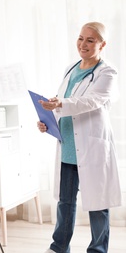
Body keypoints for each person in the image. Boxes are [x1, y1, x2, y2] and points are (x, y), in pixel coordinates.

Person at [37, 22, 121, 253]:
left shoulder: (107, 72)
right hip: (67, 146)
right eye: (81, 38)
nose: (83, 44)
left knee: (98, 204)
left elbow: (92, 101)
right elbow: (62, 99)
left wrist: (61, 103)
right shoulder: (70, 69)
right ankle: (59, 247)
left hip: (92, 146)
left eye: (90, 40)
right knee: (65, 203)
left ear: (102, 45)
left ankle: (97, 249)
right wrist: (48, 119)